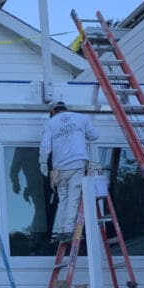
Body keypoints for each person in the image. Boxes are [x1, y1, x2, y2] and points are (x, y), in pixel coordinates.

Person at [38, 100, 99, 243]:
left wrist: (42, 162)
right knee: (74, 197)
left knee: (63, 199)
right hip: (77, 163)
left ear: (52, 112)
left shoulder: (50, 123)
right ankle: (69, 231)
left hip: (59, 168)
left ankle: (60, 231)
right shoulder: (81, 118)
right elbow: (95, 135)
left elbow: (45, 145)